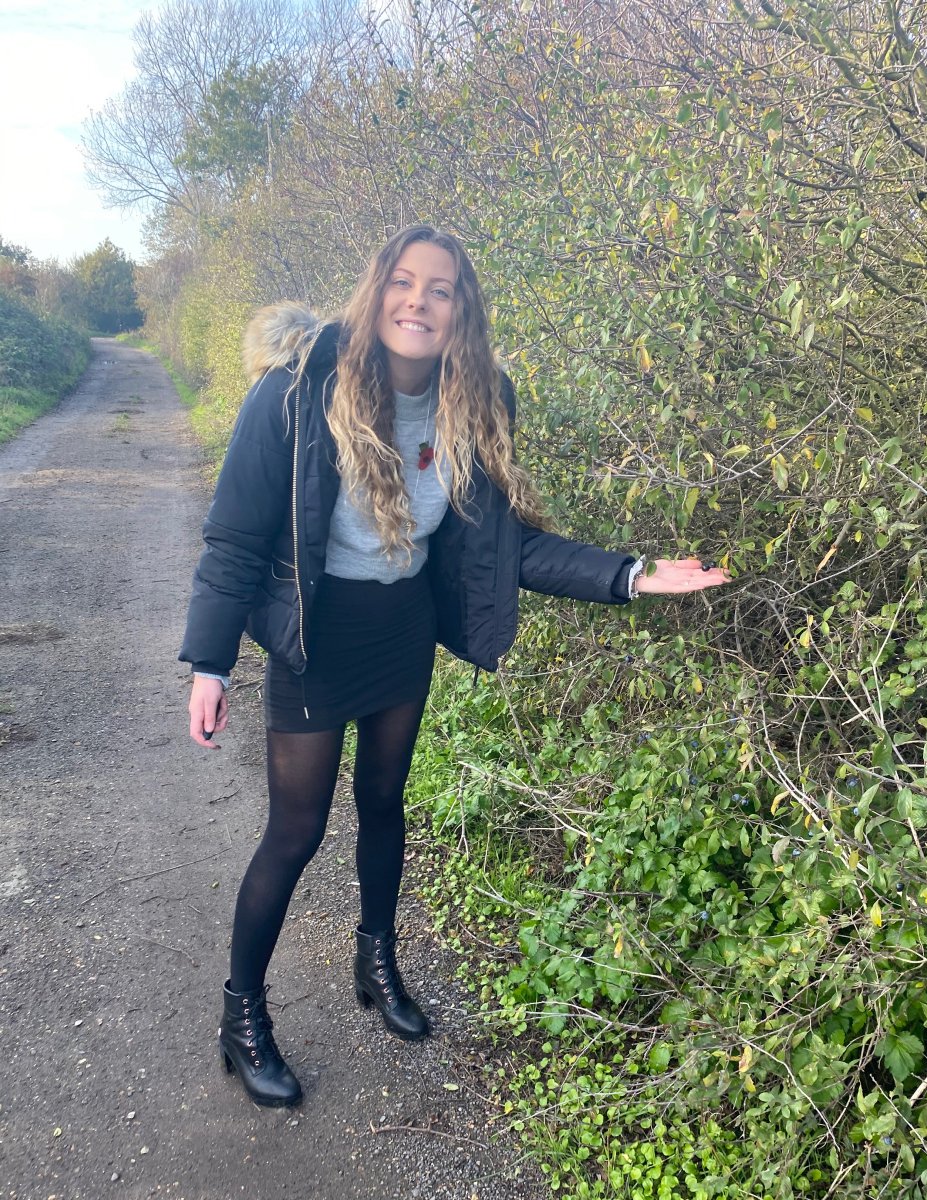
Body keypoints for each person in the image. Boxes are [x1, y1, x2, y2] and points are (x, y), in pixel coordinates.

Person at [180, 225, 731, 1108]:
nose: (419, 301)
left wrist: (630, 573)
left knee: (385, 806)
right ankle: (242, 1019)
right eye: (403, 281)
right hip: (316, 641)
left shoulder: (475, 402)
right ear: (374, 291)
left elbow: (508, 548)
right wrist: (209, 661)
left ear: (461, 310)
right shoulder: (294, 393)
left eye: (441, 289)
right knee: (295, 832)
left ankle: (377, 963)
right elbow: (236, 537)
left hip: (401, 630)